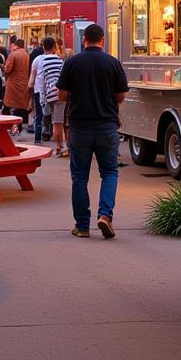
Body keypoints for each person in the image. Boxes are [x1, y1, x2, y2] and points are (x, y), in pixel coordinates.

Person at [56, 22, 129, 239]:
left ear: (84, 39)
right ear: (103, 40)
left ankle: (82, 225)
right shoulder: (112, 63)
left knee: (79, 176)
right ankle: (105, 215)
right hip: (107, 126)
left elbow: (62, 96)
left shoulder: (72, 62)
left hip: (80, 127)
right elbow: (121, 96)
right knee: (109, 172)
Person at [28, 36, 63, 145]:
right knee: (54, 116)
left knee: (39, 115)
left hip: (39, 90)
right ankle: (54, 137)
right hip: (55, 91)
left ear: (43, 47)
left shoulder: (37, 60)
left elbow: (32, 79)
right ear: (54, 47)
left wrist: (29, 94)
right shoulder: (58, 59)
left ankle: (37, 139)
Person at [3, 38, 31, 133]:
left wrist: (5, 70)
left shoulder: (13, 54)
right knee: (21, 106)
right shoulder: (27, 55)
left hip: (13, 83)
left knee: (12, 106)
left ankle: (13, 127)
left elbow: (8, 69)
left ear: (16, 45)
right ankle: (20, 125)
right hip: (24, 83)